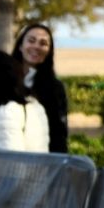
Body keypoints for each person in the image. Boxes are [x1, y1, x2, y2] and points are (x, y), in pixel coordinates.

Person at [15, 23, 69, 154]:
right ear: (20, 46)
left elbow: (59, 133)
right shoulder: (2, 79)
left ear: (49, 51)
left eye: (43, 43)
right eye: (31, 41)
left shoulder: (55, 88)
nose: (36, 47)